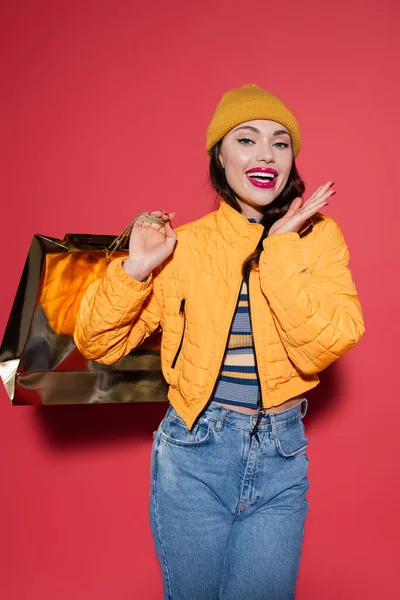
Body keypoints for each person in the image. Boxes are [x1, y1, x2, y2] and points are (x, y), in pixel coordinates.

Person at [74, 83, 365, 600]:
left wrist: (277, 252)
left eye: (280, 142)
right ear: (220, 156)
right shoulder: (185, 247)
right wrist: (135, 270)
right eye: (247, 139)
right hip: (193, 452)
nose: (266, 154)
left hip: (280, 453)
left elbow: (326, 344)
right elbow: (98, 344)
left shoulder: (319, 238)